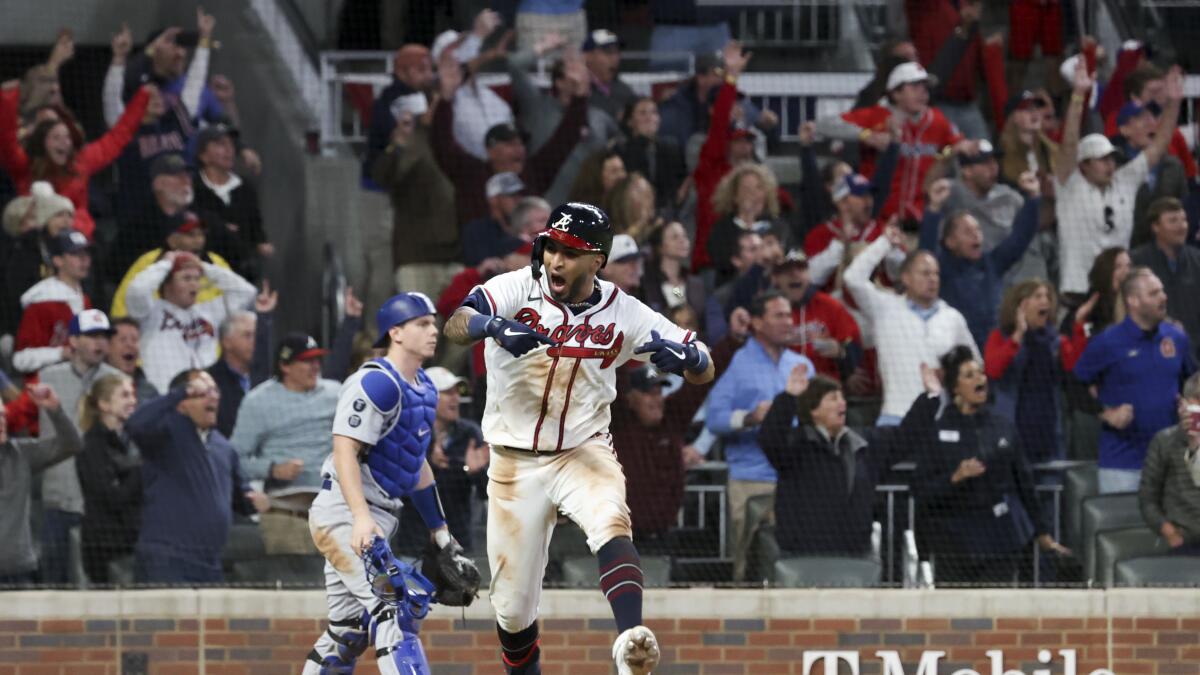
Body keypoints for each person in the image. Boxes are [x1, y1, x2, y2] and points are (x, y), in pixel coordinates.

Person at [444, 202, 716, 674]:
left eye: (570, 252)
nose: (555, 259)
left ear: (597, 261)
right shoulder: (516, 287)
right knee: (510, 609)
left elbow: (703, 359)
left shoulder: (624, 310)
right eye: (551, 246)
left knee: (610, 517)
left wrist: (689, 362)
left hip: (581, 448)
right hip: (513, 462)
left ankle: (630, 635)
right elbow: (455, 323)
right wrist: (491, 326)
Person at [302, 292, 477, 673]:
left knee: (349, 633)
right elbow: (344, 450)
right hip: (346, 514)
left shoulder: (425, 387)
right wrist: (361, 518)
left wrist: (441, 533)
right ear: (395, 332)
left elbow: (417, 464)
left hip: (377, 516)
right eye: (422, 324)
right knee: (398, 606)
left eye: (433, 323)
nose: (434, 331)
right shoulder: (375, 382)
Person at [906, 346, 1070, 584]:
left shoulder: (1002, 426)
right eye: (969, 375)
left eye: (980, 373)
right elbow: (920, 489)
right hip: (953, 543)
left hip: (999, 538)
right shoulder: (938, 430)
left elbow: (1024, 482)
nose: (979, 379)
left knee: (995, 612)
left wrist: (1042, 532)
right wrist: (955, 477)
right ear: (955, 388)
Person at [706, 290, 814, 581]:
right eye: (778, 315)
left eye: (789, 315)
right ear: (756, 322)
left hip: (795, 480)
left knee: (794, 563)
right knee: (745, 565)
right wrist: (749, 417)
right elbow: (714, 418)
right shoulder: (734, 362)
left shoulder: (802, 366)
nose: (788, 322)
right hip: (749, 479)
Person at [1054, 58, 1182, 300]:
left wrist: (1173, 103)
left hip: (1120, 291)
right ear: (1084, 165)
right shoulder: (1070, 186)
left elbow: (1159, 145)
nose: (1110, 164)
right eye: (1102, 160)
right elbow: (1069, 144)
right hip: (1079, 291)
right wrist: (1078, 96)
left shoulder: (1124, 181)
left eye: (1112, 158)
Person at [126, 369, 268, 582]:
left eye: (214, 391)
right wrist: (179, 393)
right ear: (182, 404)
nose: (213, 397)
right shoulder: (166, 432)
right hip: (166, 560)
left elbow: (239, 498)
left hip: (210, 562)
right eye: (202, 392)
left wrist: (253, 500)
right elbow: (134, 424)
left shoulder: (224, 448)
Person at [758, 367, 905, 557]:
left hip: (853, 554)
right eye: (833, 398)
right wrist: (788, 397)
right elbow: (770, 440)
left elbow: (905, 438)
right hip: (803, 556)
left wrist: (930, 398)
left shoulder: (860, 444)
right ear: (814, 410)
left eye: (842, 398)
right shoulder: (796, 446)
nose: (842, 403)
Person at [432, 48, 588, 226]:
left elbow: (564, 139)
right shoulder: (470, 175)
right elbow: (441, 142)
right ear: (491, 151)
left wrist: (580, 95)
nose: (519, 149)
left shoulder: (533, 174)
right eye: (510, 144)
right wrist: (445, 99)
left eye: (520, 144)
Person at [1074, 268, 1196, 493]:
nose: (1164, 297)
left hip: (1171, 462)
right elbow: (1073, 386)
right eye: (1154, 293)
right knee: (1121, 528)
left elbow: (1193, 381)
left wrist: (1189, 405)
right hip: (1122, 464)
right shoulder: (1107, 342)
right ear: (1133, 301)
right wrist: (1105, 413)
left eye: (1162, 291)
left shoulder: (1176, 338)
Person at [843, 224, 977, 425]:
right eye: (924, 273)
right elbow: (852, 278)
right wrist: (884, 243)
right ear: (905, 278)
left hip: (941, 419)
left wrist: (952, 376)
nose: (932, 279)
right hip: (896, 416)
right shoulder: (885, 308)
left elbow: (975, 364)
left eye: (935, 274)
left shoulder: (952, 318)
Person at [816, 62, 972, 225]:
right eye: (914, 87)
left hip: (919, 218)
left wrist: (948, 153)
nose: (922, 92)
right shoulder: (876, 116)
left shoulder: (937, 120)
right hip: (877, 218)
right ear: (896, 93)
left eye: (925, 87)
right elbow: (822, 125)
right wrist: (866, 135)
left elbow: (953, 147)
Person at [0, 79, 151, 240]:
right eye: (56, 137)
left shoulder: (81, 162)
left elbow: (118, 136)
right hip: (37, 245)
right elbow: (6, 141)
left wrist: (143, 97)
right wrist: (8, 97)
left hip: (79, 244)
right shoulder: (26, 167)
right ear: (42, 142)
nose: (64, 142)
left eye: (67, 137)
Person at [37, 309, 120, 584]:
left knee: (94, 584)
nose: (100, 343)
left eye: (104, 337)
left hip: (98, 501)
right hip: (58, 495)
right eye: (92, 336)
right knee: (54, 581)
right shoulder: (49, 377)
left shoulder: (116, 381)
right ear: (72, 341)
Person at [919, 178, 1040, 347]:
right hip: (959, 351)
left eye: (978, 230)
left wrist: (1033, 197)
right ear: (950, 242)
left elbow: (1020, 238)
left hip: (995, 352)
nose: (976, 235)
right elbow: (925, 255)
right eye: (968, 231)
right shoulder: (942, 271)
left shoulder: (993, 263)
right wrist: (934, 208)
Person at [985, 280, 1091, 465]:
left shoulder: (1055, 340)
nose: (1045, 302)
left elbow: (1076, 368)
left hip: (1048, 433)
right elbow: (992, 370)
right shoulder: (1000, 337)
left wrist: (1079, 325)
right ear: (1020, 304)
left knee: (1051, 490)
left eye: (1047, 297)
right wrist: (1018, 335)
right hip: (1012, 431)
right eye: (1037, 296)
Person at [611, 363, 715, 551]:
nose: (656, 399)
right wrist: (619, 346)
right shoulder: (619, 424)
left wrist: (733, 340)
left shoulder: (671, 420)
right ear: (631, 398)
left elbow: (698, 387)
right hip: (620, 539)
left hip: (663, 537)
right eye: (649, 393)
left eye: (659, 392)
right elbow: (613, 383)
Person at [124, 250, 257, 393]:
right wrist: (165, 265)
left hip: (208, 398)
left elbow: (247, 292)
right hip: (165, 396)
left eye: (197, 278)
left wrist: (205, 268)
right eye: (186, 279)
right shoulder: (149, 312)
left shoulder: (209, 311)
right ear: (166, 284)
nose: (194, 285)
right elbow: (137, 290)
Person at [508, 41, 620, 206]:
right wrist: (546, 45)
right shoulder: (536, 108)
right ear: (559, 82)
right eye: (573, 70)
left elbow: (621, 145)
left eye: (584, 71)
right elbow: (514, 65)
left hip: (591, 210)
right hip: (549, 209)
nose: (582, 76)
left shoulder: (599, 117)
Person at [231, 332, 345, 491]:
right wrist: (271, 469)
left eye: (316, 359)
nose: (315, 366)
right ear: (285, 366)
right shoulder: (258, 401)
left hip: (331, 494)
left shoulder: (336, 393)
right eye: (306, 361)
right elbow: (233, 460)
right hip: (285, 499)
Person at [396, 366, 489, 554]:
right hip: (415, 543)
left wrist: (476, 472)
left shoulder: (469, 433)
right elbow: (398, 490)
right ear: (427, 396)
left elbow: (486, 492)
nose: (456, 398)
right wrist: (429, 465)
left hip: (457, 543)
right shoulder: (407, 432)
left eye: (457, 392)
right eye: (447, 393)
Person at [0, 383, 79, 585]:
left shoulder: (22, 453)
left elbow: (71, 444)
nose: (1, 421)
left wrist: (55, 410)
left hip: (19, 571)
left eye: (2, 415)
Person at [76, 373, 141, 584]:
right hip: (104, 548)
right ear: (104, 404)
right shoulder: (92, 446)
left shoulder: (130, 441)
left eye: (132, 394)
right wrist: (143, 470)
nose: (132, 401)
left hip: (130, 540)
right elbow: (112, 497)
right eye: (124, 395)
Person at [192, 124, 271, 281]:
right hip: (204, 273)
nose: (229, 150)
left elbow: (255, 226)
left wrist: (262, 243)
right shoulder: (194, 187)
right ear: (203, 155)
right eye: (220, 144)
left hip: (242, 273)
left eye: (230, 144)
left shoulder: (245, 188)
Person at [12, 228, 91, 373]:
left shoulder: (85, 300)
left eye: (86, 253)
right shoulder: (41, 303)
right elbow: (20, 359)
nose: (84, 259)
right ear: (58, 260)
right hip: (45, 385)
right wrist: (61, 353)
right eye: (75, 254)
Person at [1131, 198, 1200, 360]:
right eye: (1173, 221)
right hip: (1151, 352)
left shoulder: (1197, 260)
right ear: (1155, 227)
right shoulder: (1137, 262)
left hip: (1194, 353)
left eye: (1184, 220)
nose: (1181, 226)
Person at [1139, 373, 1200, 555]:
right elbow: (1148, 499)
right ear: (1184, 404)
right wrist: (1170, 533)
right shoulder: (1164, 441)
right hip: (1183, 541)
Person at [614, 98, 687, 209]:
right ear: (630, 121)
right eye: (642, 113)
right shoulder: (621, 150)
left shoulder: (671, 147)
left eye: (654, 112)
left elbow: (680, 183)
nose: (649, 118)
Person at [640, 221, 706, 321]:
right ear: (660, 246)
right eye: (675, 237)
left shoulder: (695, 284)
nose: (682, 240)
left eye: (684, 235)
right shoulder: (647, 284)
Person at [582, 29, 636, 123]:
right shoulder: (576, 89)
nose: (615, 58)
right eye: (608, 52)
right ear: (588, 56)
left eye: (617, 52)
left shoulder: (624, 90)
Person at [106, 317, 159, 404]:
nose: (130, 345)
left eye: (134, 340)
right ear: (107, 347)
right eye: (122, 340)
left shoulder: (149, 392)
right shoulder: (93, 385)